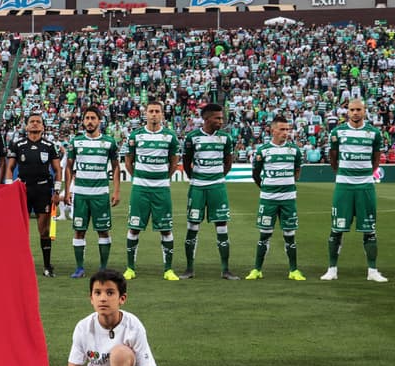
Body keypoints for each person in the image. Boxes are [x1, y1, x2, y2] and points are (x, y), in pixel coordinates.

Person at [321, 98, 387, 281]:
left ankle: (372, 271)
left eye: (359, 109)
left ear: (364, 111)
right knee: (337, 228)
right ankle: (332, 269)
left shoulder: (374, 133)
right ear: (347, 112)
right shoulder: (338, 132)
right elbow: (333, 157)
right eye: (352, 110)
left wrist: (366, 174)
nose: (355, 112)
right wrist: (342, 174)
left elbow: (376, 158)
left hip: (365, 185)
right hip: (344, 185)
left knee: (369, 229)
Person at [123, 99, 181, 281]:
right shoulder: (136, 136)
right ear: (145, 114)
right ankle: (130, 268)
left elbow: (174, 162)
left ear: (162, 114)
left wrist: (163, 177)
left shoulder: (170, 136)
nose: (154, 114)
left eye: (157, 111)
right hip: (140, 189)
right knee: (134, 228)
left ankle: (168, 269)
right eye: (151, 111)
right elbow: (128, 162)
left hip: (161, 190)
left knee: (166, 229)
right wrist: (139, 178)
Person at [180, 103, 238, 280]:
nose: (221, 121)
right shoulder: (192, 137)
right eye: (217, 118)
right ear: (206, 118)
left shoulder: (225, 139)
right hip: (197, 187)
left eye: (222, 118)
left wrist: (218, 177)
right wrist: (195, 178)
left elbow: (228, 162)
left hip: (217, 188)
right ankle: (189, 269)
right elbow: (186, 160)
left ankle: (225, 269)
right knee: (193, 226)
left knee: (222, 226)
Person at [247, 115, 307, 281]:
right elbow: (256, 174)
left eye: (287, 129)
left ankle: (293, 270)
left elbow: (297, 172)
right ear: (273, 130)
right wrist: (267, 188)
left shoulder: (295, 150)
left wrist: (286, 185)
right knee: (264, 234)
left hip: (288, 199)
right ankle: (257, 269)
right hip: (268, 199)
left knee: (290, 234)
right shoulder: (263, 150)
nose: (286, 132)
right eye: (282, 129)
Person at [63, 106, 119, 279]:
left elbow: (116, 166)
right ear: (83, 121)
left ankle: (103, 268)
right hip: (80, 193)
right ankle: (79, 268)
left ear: (99, 121)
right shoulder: (76, 142)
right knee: (79, 231)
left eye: (93, 118)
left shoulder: (109, 142)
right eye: (87, 118)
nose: (89, 121)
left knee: (103, 231)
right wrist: (67, 191)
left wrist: (116, 190)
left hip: (100, 193)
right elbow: (69, 168)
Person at [6, 111, 62, 276]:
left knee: (43, 230)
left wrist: (57, 191)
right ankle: (19, 265)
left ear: (43, 126)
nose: (35, 124)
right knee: (20, 230)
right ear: (26, 125)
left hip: (43, 190)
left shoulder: (49, 146)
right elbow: (9, 168)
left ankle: (47, 266)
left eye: (38, 121)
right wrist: (9, 188)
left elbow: (58, 170)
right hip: (23, 190)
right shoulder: (18, 144)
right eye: (32, 121)